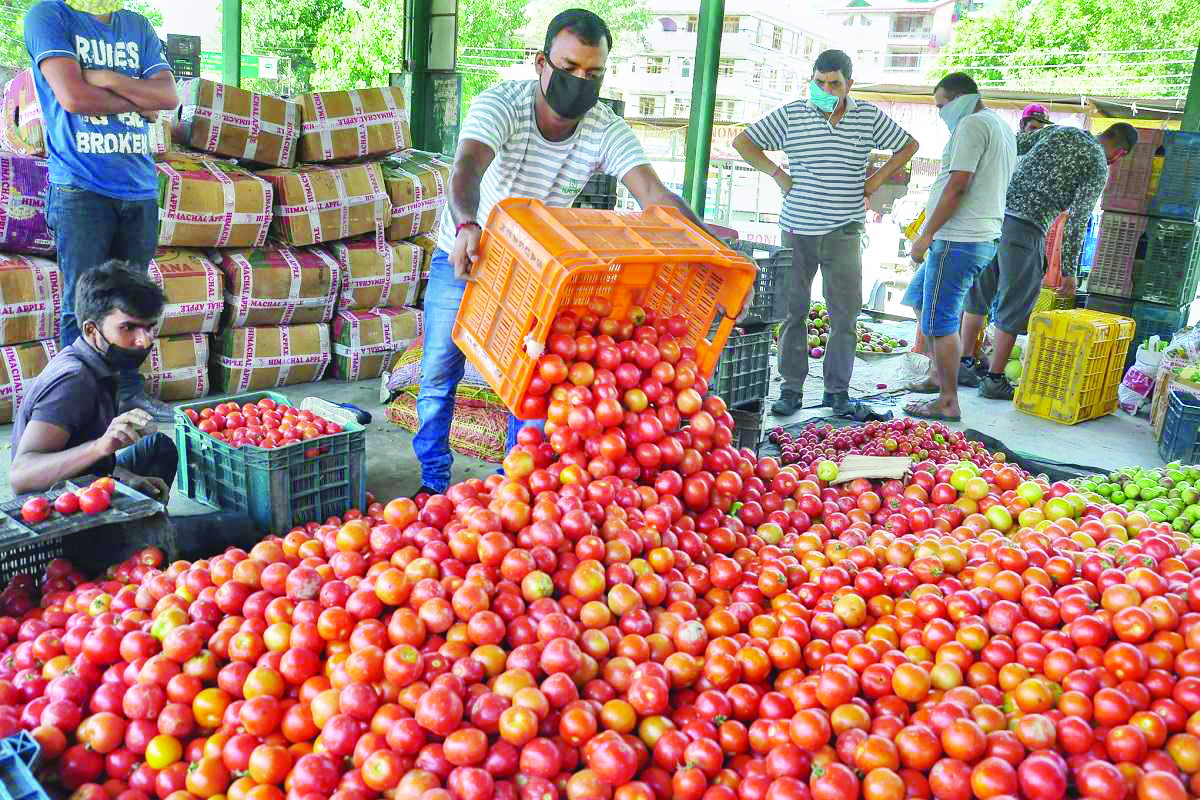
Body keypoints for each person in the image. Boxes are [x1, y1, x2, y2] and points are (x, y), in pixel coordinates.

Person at [415, 9, 714, 495]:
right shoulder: (502, 105)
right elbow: (466, 167)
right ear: (541, 63)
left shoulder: (602, 126)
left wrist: (709, 248)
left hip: (537, 270)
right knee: (438, 375)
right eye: (570, 68)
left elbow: (655, 197)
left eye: (593, 73)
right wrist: (468, 224)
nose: (581, 81)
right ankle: (432, 483)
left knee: (531, 386)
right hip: (466, 253)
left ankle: (517, 486)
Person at [733, 49, 918, 418]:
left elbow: (909, 145)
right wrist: (778, 174)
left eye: (834, 83)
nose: (825, 89)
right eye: (819, 82)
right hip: (797, 228)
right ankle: (791, 389)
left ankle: (837, 392)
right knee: (792, 312)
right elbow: (744, 142)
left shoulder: (866, 116)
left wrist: (875, 180)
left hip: (845, 229)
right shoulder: (791, 114)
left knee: (845, 315)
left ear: (849, 84)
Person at [24, 0, 179, 422]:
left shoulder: (137, 26)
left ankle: (128, 394)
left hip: (140, 189)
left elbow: (167, 96)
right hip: (80, 187)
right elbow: (73, 96)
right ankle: (77, 407)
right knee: (83, 304)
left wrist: (107, 78)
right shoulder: (49, 16)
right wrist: (135, 97)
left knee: (133, 305)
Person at [959, 122, 1139, 400]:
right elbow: (1078, 221)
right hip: (1026, 229)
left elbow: (1013, 144)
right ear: (1119, 153)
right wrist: (1069, 271)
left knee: (979, 293)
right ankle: (994, 380)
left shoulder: (1060, 130)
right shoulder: (1097, 164)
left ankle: (963, 365)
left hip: (993, 218)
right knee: (1016, 302)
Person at [899, 74, 1016, 422]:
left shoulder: (972, 126)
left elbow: (958, 186)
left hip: (957, 240)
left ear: (959, 99)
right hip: (973, 238)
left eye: (941, 106)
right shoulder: (1000, 126)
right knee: (921, 299)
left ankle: (948, 400)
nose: (940, 114)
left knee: (941, 321)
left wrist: (926, 235)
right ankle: (938, 374)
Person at [10, 260, 176, 500]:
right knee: (236, 526)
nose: (145, 341)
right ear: (91, 330)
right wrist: (101, 446)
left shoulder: (101, 363)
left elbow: (93, 463)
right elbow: (21, 476)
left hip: (86, 480)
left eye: (149, 327)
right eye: (128, 328)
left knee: (160, 446)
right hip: (61, 509)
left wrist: (128, 479)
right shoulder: (74, 382)